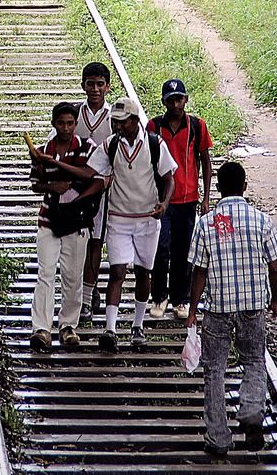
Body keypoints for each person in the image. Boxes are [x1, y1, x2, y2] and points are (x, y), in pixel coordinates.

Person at [186, 161, 277, 457]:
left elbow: (199, 272)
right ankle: (252, 411)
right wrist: (275, 299)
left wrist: (193, 309)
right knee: (254, 360)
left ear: (217, 188)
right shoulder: (261, 220)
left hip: (217, 307)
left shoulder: (206, 223)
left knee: (214, 370)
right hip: (254, 305)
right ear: (245, 185)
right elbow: (275, 266)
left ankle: (218, 437)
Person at [95, 96, 176, 353]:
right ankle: (110, 329)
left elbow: (168, 177)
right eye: (115, 122)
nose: (117, 127)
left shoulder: (154, 144)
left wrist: (164, 203)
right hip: (119, 218)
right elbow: (91, 171)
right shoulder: (111, 145)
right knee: (117, 272)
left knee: (143, 272)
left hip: (147, 219)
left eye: (122, 122)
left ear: (134, 121)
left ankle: (138, 325)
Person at [28, 103, 107, 352]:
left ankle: (67, 325)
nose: (65, 128)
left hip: (76, 221)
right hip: (49, 220)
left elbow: (92, 177)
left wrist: (57, 169)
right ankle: (41, 327)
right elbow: (35, 183)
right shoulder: (42, 151)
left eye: (70, 123)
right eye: (61, 123)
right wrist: (53, 187)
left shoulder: (87, 148)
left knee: (73, 277)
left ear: (75, 125)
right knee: (46, 273)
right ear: (54, 125)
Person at [147, 78, 214, 320]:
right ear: (164, 102)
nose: (175, 104)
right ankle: (159, 297)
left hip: (187, 199)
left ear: (186, 100)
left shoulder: (197, 126)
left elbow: (205, 160)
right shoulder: (153, 127)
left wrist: (206, 197)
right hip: (162, 199)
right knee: (160, 248)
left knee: (184, 250)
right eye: (170, 100)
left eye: (179, 99)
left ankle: (180, 299)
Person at [75, 62, 114, 325]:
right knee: (75, 243)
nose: (96, 89)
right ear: (83, 86)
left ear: (108, 87)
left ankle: (87, 297)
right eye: (91, 84)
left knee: (96, 242)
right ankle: (78, 292)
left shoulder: (115, 117)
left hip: (103, 190)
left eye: (100, 84)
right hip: (75, 188)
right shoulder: (74, 114)